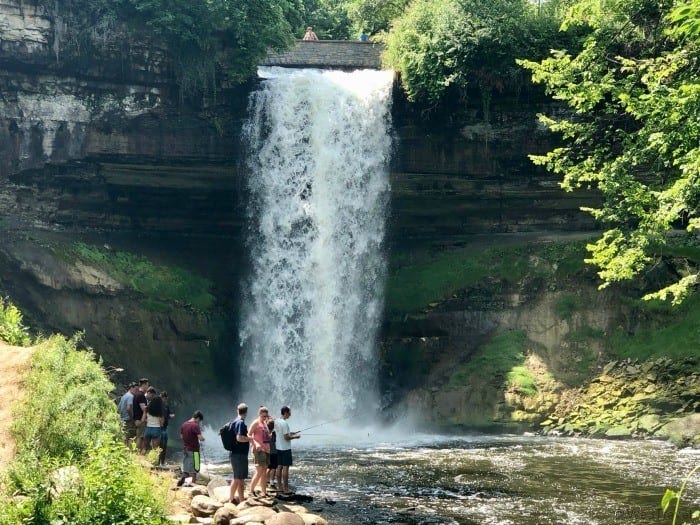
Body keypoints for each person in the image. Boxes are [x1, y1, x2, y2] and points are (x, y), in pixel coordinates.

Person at [274, 405, 300, 495]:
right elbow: (286, 437)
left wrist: (291, 433)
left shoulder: (276, 421)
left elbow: (281, 434)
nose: (290, 414)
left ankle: (279, 487)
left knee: (279, 467)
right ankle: (285, 489)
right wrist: (296, 437)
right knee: (285, 468)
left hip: (278, 447)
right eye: (289, 413)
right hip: (285, 448)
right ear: (285, 413)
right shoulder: (285, 424)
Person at [228, 403, 251, 504]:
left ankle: (231, 499)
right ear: (246, 412)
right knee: (240, 479)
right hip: (239, 455)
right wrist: (250, 439)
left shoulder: (235, 421)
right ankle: (241, 501)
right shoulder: (240, 422)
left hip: (235, 454)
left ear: (237, 411)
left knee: (236, 478)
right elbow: (239, 438)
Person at [247, 406, 272, 497]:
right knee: (259, 471)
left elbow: (265, 436)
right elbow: (248, 435)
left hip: (266, 449)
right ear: (259, 414)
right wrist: (255, 444)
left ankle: (263, 492)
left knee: (264, 471)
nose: (265, 418)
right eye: (263, 416)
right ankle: (251, 490)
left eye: (266, 416)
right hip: (258, 450)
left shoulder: (265, 423)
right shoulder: (256, 423)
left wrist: (269, 436)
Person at [178, 410, 205, 487]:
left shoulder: (184, 424)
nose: (199, 422)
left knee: (186, 468)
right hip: (194, 451)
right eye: (199, 421)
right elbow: (200, 438)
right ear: (198, 418)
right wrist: (203, 439)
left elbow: (181, 436)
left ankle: (183, 481)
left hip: (186, 449)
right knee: (194, 469)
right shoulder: (195, 426)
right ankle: (193, 486)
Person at [143, 387, 163, 454]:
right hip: (156, 429)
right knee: (155, 449)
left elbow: (143, 420)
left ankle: (141, 459)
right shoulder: (160, 411)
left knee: (144, 447)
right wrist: (161, 425)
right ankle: (154, 463)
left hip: (148, 428)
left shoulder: (147, 409)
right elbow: (161, 422)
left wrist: (146, 421)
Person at [132, 378, 149, 454]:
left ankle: (136, 452)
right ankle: (137, 453)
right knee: (140, 437)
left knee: (139, 436)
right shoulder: (141, 395)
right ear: (144, 385)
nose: (148, 387)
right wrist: (151, 407)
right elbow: (143, 408)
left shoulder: (136, 394)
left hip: (136, 419)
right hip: (140, 420)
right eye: (147, 385)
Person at [158, 391, 174, 467]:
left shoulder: (166, 406)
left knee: (164, 445)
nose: (165, 400)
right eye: (164, 398)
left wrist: (171, 416)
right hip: (159, 427)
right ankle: (158, 462)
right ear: (161, 397)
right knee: (160, 445)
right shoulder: (158, 406)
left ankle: (163, 462)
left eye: (166, 398)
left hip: (165, 427)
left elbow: (168, 414)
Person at [266, 418, 278, 490]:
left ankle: (266, 481)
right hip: (273, 453)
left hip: (267, 452)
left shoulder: (265, 432)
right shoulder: (274, 434)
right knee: (273, 468)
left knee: (268, 468)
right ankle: (272, 483)